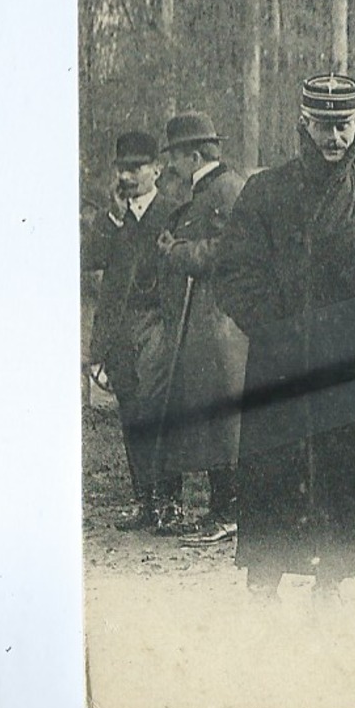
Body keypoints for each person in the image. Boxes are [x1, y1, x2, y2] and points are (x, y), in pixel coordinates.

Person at [213, 76, 355, 601]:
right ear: (304, 123)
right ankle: (264, 582)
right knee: (276, 475)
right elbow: (233, 272)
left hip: (350, 361)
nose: (334, 138)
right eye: (323, 125)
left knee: (345, 475)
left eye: (343, 126)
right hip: (284, 363)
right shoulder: (266, 192)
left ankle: (332, 580)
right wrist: (278, 326)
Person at [152, 111, 248, 543]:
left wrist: (178, 252)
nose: (169, 165)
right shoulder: (207, 189)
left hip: (221, 321)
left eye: (173, 156)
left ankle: (228, 512)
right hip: (208, 321)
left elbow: (227, 252)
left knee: (223, 415)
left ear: (192, 155)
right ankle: (222, 508)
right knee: (214, 413)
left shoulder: (225, 189)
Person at [84, 131, 183, 531]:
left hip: (158, 324)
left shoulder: (173, 212)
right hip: (120, 330)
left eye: (135, 168)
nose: (126, 176)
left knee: (160, 412)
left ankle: (170, 502)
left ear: (156, 170)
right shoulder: (113, 220)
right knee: (131, 414)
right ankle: (145, 501)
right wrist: (111, 218)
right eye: (121, 169)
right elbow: (89, 260)